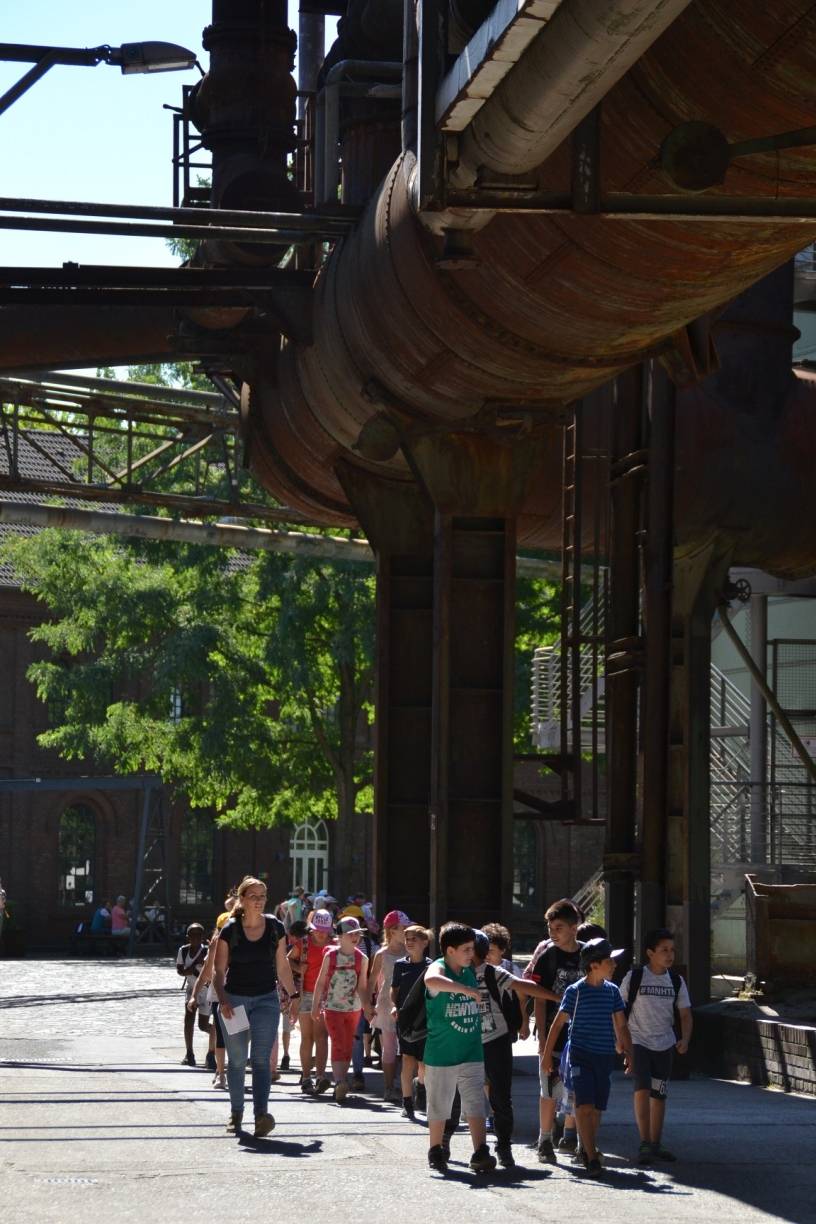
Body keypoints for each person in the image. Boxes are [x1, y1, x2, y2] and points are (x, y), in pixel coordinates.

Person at [540, 937, 633, 1178]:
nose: (614, 965)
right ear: (594, 965)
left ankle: (587, 1147)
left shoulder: (612, 992)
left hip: (604, 1057)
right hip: (580, 1055)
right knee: (584, 1104)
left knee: (597, 1107)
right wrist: (547, 1055)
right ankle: (591, 1156)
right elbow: (558, 1025)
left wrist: (629, 1051)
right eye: (609, 961)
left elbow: (621, 1025)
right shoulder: (575, 992)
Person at [213, 875, 297, 1137]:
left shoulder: (275, 927)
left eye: (262, 896)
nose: (259, 901)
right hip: (235, 1000)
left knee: (261, 1060)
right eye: (253, 897)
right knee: (237, 1060)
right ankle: (236, 1112)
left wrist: (294, 997)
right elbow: (218, 970)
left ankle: (261, 1115)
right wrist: (223, 1000)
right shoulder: (230, 930)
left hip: (265, 999)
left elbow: (282, 965)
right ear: (242, 900)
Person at [471, 929, 553, 1169]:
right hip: (467, 1041)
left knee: (501, 1097)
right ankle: (447, 1144)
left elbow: (524, 987)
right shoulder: (455, 974)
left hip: (496, 1040)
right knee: (464, 1096)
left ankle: (503, 1146)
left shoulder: (492, 972)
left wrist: (557, 997)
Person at [424, 921, 496, 1176]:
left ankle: (480, 1151)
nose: (470, 953)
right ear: (449, 950)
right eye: (465, 949)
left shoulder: (468, 969)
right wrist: (464, 989)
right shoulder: (439, 967)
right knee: (440, 1105)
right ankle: (435, 1150)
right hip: (442, 1053)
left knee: (476, 1101)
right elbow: (431, 979)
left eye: (471, 948)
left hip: (470, 1049)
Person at [620, 927, 692, 1165]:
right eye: (664, 950)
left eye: (672, 950)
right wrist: (621, 1042)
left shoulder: (676, 981)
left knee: (659, 1094)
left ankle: (655, 1142)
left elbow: (685, 1014)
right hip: (639, 1041)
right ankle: (644, 1142)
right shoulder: (635, 977)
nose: (670, 955)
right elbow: (618, 1009)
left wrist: (685, 1038)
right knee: (642, 1089)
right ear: (650, 953)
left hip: (665, 1043)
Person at [524, 897, 585, 1162]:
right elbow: (538, 996)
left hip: (582, 1034)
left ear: (574, 927)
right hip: (553, 1032)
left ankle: (572, 1137)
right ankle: (545, 1139)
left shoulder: (587, 954)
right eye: (550, 928)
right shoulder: (548, 956)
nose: (553, 933)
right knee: (549, 1087)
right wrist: (542, 1039)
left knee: (578, 1087)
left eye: (558, 927)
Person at [311, 915, 369, 1103]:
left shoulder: (363, 959)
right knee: (337, 1041)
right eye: (350, 934)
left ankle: (341, 1080)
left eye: (357, 934)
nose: (355, 938)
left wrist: (367, 1007)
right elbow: (320, 983)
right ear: (340, 936)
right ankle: (339, 1081)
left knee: (348, 1043)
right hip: (333, 1007)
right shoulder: (331, 956)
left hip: (354, 1008)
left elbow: (362, 986)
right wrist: (315, 1006)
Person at [288, 907, 334, 1094]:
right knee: (307, 1037)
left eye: (325, 930)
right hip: (306, 993)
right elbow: (288, 961)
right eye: (318, 930)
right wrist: (300, 969)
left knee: (321, 1037)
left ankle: (320, 1077)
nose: (321, 934)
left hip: (326, 995)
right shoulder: (303, 943)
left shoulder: (334, 944)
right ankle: (306, 1077)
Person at [390, 924, 433, 1119]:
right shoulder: (400, 965)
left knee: (424, 1063)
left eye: (414, 939)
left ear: (425, 942)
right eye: (407, 939)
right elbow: (395, 990)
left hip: (425, 1020)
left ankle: (421, 1085)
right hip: (405, 1019)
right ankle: (407, 1103)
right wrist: (395, 1006)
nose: (409, 942)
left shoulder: (432, 967)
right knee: (407, 1060)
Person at [367, 909, 409, 1102]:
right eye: (404, 928)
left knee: (408, 1047)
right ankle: (389, 1087)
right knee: (390, 1047)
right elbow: (371, 981)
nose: (408, 931)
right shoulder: (381, 954)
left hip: (408, 1005)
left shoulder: (411, 951)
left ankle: (407, 1086)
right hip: (386, 1004)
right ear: (392, 931)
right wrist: (368, 1005)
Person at [176, 923, 209, 1067]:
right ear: (187, 937)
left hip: (206, 990)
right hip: (191, 989)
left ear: (203, 937)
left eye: (198, 936)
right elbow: (180, 970)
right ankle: (189, 1053)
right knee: (188, 1019)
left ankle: (214, 1044)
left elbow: (208, 971)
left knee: (203, 1025)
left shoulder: (206, 951)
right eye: (192, 936)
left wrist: (189, 971)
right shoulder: (183, 951)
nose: (195, 939)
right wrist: (192, 970)